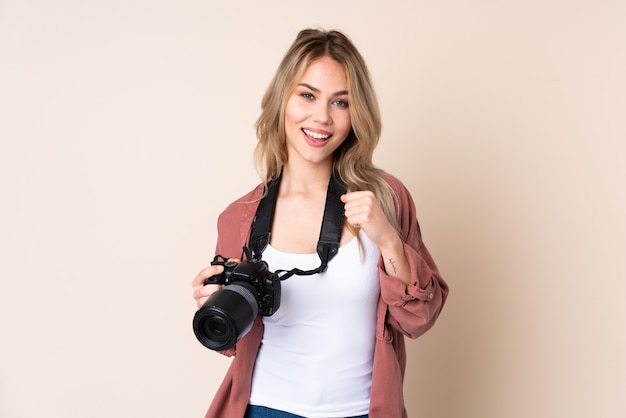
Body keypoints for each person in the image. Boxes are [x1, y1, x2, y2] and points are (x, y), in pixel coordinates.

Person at [191, 28, 449, 418]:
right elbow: (231, 343)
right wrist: (214, 308)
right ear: (283, 100)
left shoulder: (385, 199)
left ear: (355, 113)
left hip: (361, 410)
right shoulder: (239, 218)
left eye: (340, 102)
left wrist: (390, 242)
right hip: (265, 408)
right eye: (307, 95)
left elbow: (417, 319)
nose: (322, 117)